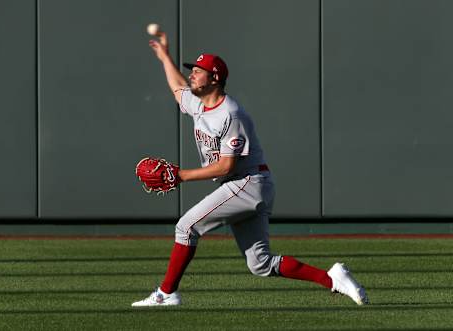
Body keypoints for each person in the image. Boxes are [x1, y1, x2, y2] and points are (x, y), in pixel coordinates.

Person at [132, 31, 368, 307]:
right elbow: (177, 89)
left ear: (215, 78)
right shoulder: (198, 104)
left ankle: (166, 293)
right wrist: (164, 57)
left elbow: (226, 164)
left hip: (247, 183)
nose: (193, 75)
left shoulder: (232, 114)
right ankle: (333, 278)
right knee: (261, 264)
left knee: (186, 227)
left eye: (199, 71)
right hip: (242, 184)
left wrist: (181, 175)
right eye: (192, 71)